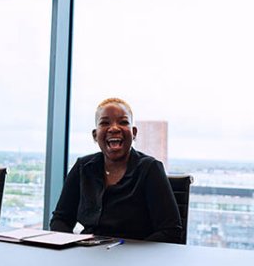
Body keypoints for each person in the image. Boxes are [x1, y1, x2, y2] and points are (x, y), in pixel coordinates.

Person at [50, 97, 182, 243]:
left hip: (135, 258)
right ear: (95, 135)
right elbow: (60, 220)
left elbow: (170, 231)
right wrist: (72, 247)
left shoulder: (150, 169)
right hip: (89, 255)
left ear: (134, 133)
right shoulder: (83, 167)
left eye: (123, 122)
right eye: (105, 123)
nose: (114, 128)